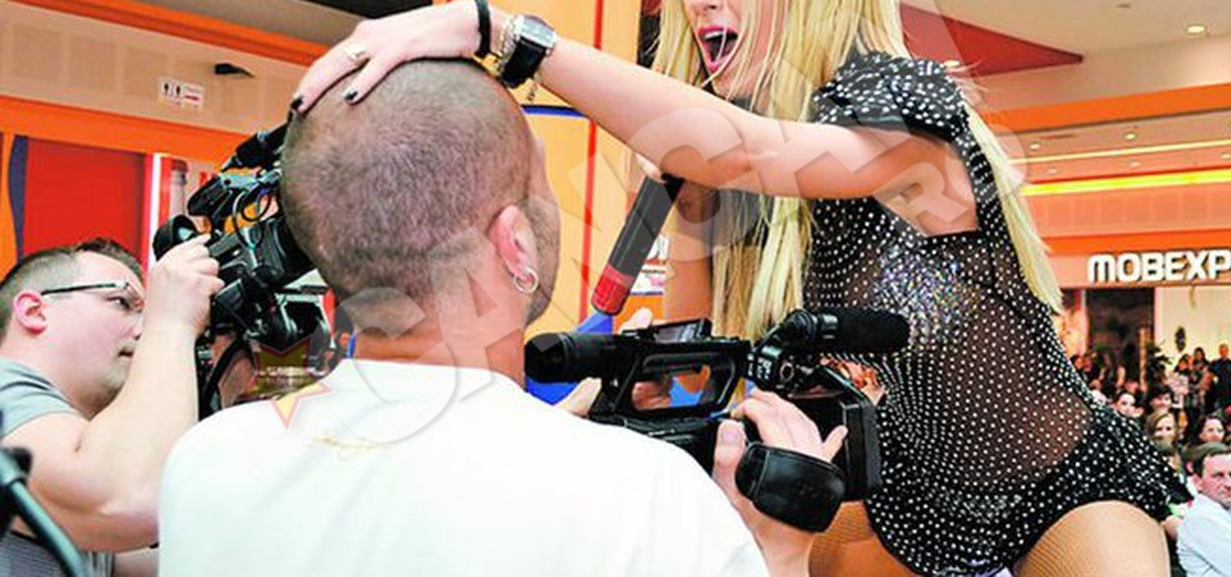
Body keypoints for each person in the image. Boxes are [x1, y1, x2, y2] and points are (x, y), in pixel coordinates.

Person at [293, 0, 1187, 573]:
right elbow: (704, 356)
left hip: (1055, 480)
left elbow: (749, 149)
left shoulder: (905, 116)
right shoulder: (736, 171)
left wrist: (506, 33)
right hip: (890, 493)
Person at [159, 60, 846, 577]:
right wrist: (780, 551)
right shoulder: (644, 495)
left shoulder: (207, 460)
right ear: (515, 243)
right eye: (541, 186)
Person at [0, 237, 220, 576]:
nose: (144, 328)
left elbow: (196, 562)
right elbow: (125, 502)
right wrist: (170, 323)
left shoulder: (79, 482)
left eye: (148, 313)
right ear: (33, 311)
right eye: (122, 302)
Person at [1177, 444, 1231, 575]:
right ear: (1198, 482)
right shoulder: (1202, 520)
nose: (1229, 484)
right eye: (1218, 476)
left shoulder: (1222, 515)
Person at [1207, 344, 1231, 414]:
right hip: (1218, 391)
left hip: (1230, 391)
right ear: (1219, 352)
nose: (1223, 353)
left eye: (1225, 351)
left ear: (1228, 351)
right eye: (1221, 351)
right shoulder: (1215, 364)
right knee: (1219, 410)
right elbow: (1210, 376)